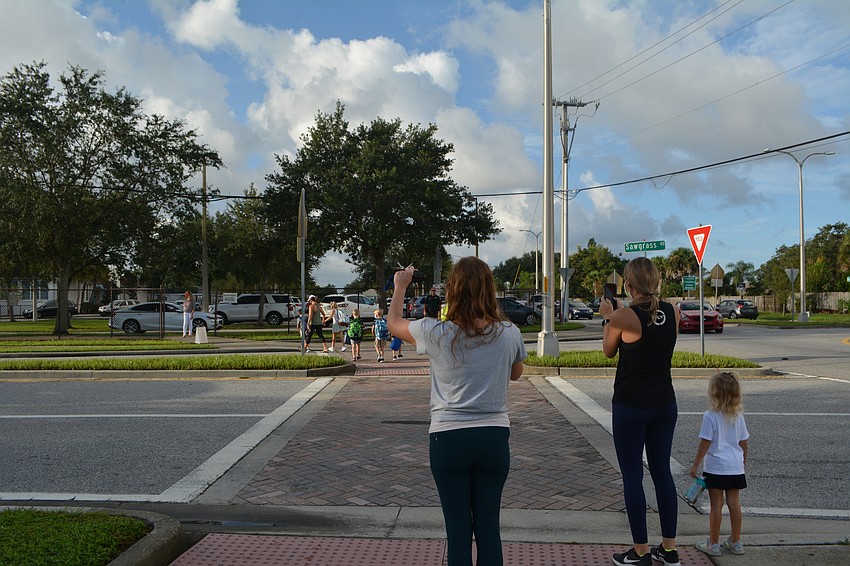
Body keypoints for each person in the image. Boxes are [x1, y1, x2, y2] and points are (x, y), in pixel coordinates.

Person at [387, 258, 526, 566]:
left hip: (448, 438)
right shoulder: (509, 332)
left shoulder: (434, 332)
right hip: (493, 437)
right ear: (490, 290)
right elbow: (515, 374)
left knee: (458, 530)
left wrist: (400, 287)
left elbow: (393, 323)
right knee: (489, 527)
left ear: (453, 290)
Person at [599, 257, 681, 566]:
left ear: (629, 285)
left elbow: (608, 351)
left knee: (633, 475)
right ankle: (669, 550)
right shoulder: (672, 311)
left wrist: (609, 317)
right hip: (664, 402)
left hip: (631, 404)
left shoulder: (623, 316)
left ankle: (641, 552)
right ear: (657, 281)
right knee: (662, 474)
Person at [691, 371, 749, 557]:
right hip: (735, 467)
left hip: (716, 467)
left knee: (717, 504)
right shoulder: (739, 416)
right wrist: (742, 462)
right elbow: (744, 442)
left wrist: (695, 465)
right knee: (734, 503)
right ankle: (736, 541)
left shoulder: (710, 416)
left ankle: (713, 544)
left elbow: (705, 442)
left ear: (713, 393)